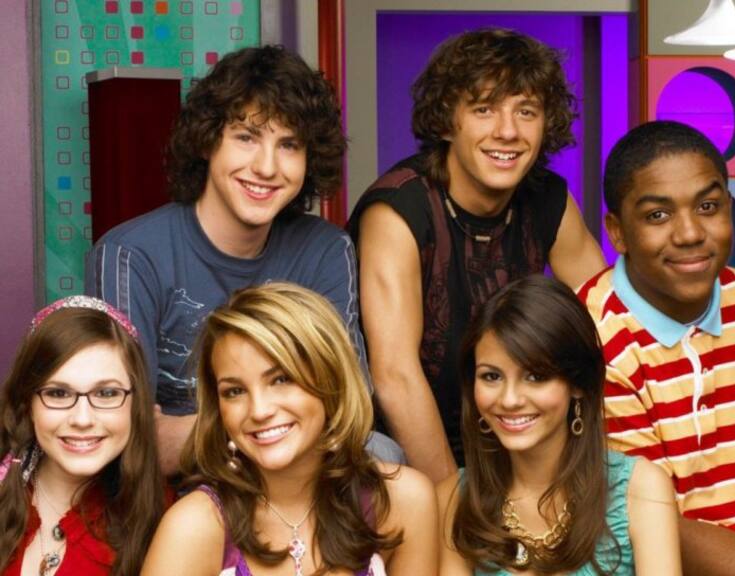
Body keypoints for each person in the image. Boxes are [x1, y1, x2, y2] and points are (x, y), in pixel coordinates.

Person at [85, 45, 386, 474]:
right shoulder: (129, 255)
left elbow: (349, 409)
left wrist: (233, 431)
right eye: (246, 137)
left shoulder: (325, 249)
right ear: (208, 141)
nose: (266, 167)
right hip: (183, 485)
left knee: (383, 453)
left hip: (301, 473)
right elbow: (127, 438)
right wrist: (263, 428)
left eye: (289, 145)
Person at [347, 27, 605, 482]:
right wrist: (455, 502)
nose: (508, 132)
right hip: (408, 455)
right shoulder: (399, 210)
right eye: (484, 109)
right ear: (447, 121)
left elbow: (608, 328)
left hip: (517, 432)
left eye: (526, 111)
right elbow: (396, 378)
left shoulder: (548, 199)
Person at [141, 283, 437, 575]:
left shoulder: (402, 500)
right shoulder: (194, 526)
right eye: (234, 391)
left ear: (332, 380)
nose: (259, 410)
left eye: (281, 379)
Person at [578, 120, 735, 574]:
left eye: (707, 206)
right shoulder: (590, 339)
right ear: (617, 232)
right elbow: (651, 522)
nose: (689, 233)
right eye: (658, 215)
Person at [438, 275, 681, 575]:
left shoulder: (641, 488)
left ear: (577, 383)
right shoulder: (454, 499)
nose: (510, 399)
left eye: (535, 376)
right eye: (491, 376)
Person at [0, 296, 165, 576]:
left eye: (107, 393)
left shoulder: (169, 523)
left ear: (136, 404)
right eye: (58, 393)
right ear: (27, 403)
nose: (82, 419)